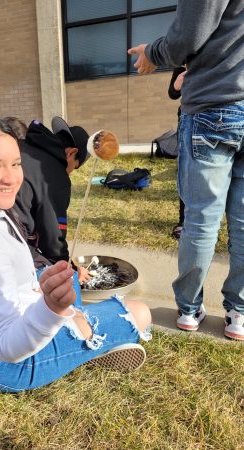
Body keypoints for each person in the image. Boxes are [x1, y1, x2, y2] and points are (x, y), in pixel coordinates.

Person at [0, 113, 152, 393]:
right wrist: (53, 309)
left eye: (15, 163)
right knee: (140, 313)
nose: (11, 178)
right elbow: (6, 346)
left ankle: (78, 335)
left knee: (69, 291)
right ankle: (84, 348)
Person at [128, 0, 244, 340]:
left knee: (201, 219)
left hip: (214, 104)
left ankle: (190, 309)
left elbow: (189, 35)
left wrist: (153, 52)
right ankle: (239, 311)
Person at [12, 116, 92, 285]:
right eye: (74, 167)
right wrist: (71, 269)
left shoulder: (23, 146)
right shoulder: (55, 176)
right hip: (12, 243)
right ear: (72, 153)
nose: (70, 173)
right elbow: (53, 239)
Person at [168, 66, 186, 240]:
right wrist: (178, 82)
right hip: (187, 121)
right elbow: (172, 93)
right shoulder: (181, 66)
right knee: (185, 171)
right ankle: (183, 221)